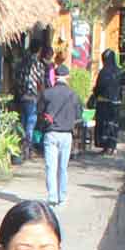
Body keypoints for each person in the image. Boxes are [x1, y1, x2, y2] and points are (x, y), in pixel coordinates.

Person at [38, 70, 83, 207]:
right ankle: (62, 197)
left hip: (51, 133)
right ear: (67, 77)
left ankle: (52, 196)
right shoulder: (73, 95)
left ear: (55, 77)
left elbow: (39, 110)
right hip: (66, 135)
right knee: (63, 168)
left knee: (51, 167)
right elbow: (79, 115)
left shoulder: (47, 93)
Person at [91, 50, 123, 154]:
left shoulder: (104, 72)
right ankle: (112, 146)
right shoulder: (119, 71)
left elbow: (99, 87)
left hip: (104, 103)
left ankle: (106, 147)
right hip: (116, 103)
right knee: (113, 124)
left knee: (104, 125)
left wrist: (95, 95)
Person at [16, 48, 45, 160]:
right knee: (30, 124)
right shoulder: (38, 65)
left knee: (23, 123)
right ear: (39, 51)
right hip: (32, 97)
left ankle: (22, 148)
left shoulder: (21, 63)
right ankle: (28, 149)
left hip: (21, 97)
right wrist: (42, 97)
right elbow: (40, 82)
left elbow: (17, 79)